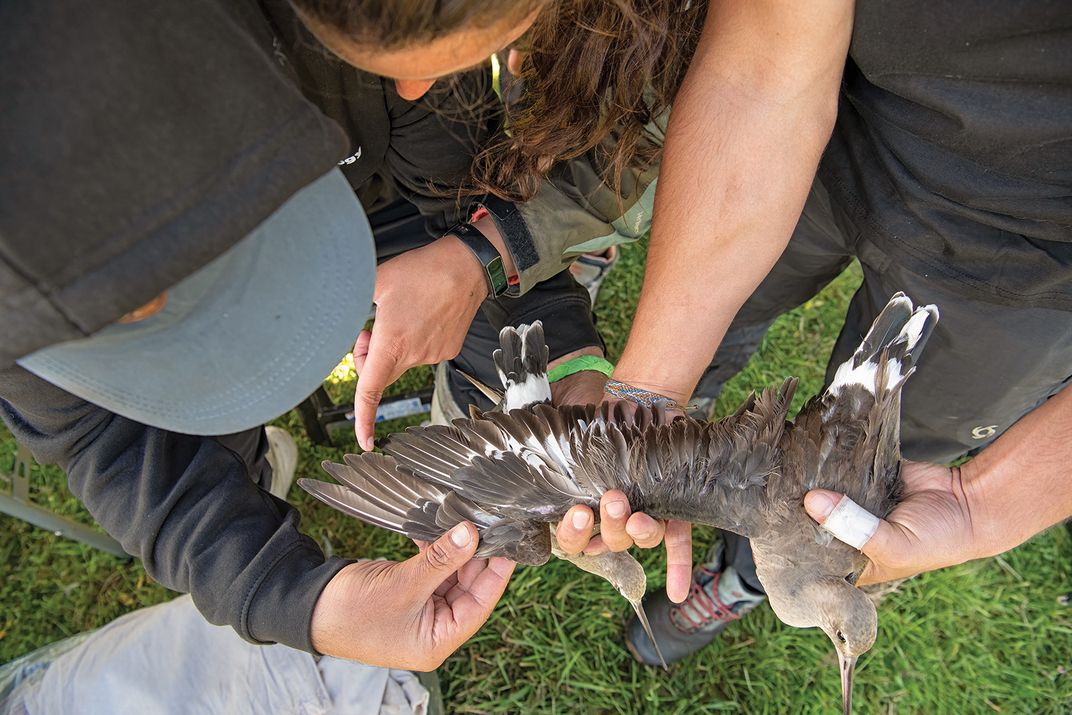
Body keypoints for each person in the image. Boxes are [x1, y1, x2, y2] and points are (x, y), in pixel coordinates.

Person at [0, 0, 650, 673]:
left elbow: (467, 190)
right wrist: (292, 597)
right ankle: (259, 459)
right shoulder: (19, 315)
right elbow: (107, 444)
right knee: (207, 454)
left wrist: (535, 318)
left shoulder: (379, 31)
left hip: (381, 208)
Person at [485, 0, 1071, 666]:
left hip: (1033, 270)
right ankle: (693, 429)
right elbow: (764, 66)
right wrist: (647, 399)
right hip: (830, 129)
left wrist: (981, 507)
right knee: (727, 316)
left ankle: (742, 575)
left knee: (885, 478)